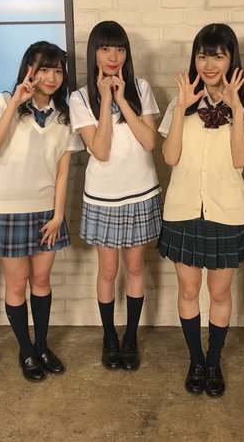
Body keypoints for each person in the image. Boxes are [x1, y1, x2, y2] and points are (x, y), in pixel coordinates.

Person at [158, 23, 244, 398]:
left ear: (232, 59)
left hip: (227, 213)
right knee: (188, 290)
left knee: (219, 292)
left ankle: (214, 360)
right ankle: (195, 360)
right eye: (203, 56)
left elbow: (241, 160)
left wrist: (236, 108)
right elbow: (170, 157)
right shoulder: (180, 103)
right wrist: (181, 107)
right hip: (183, 210)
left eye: (218, 56)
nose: (209, 64)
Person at [0, 41, 81, 382]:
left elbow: (63, 172)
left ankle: (42, 346)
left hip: (45, 212)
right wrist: (16, 103)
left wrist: (58, 215)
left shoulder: (64, 117)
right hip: (6, 209)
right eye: (44, 69)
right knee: (16, 284)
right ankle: (25, 350)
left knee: (41, 281)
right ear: (29, 70)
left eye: (57, 70)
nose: (51, 77)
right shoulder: (3, 102)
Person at [69, 21, 162, 372]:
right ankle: (109, 336)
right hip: (103, 197)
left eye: (120, 49)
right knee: (108, 269)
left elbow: (150, 142)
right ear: (94, 52)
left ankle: (131, 337)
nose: (113, 56)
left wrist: (122, 98)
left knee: (135, 266)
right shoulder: (79, 98)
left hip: (141, 192)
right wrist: (105, 98)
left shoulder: (141, 88)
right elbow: (101, 150)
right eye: (105, 48)